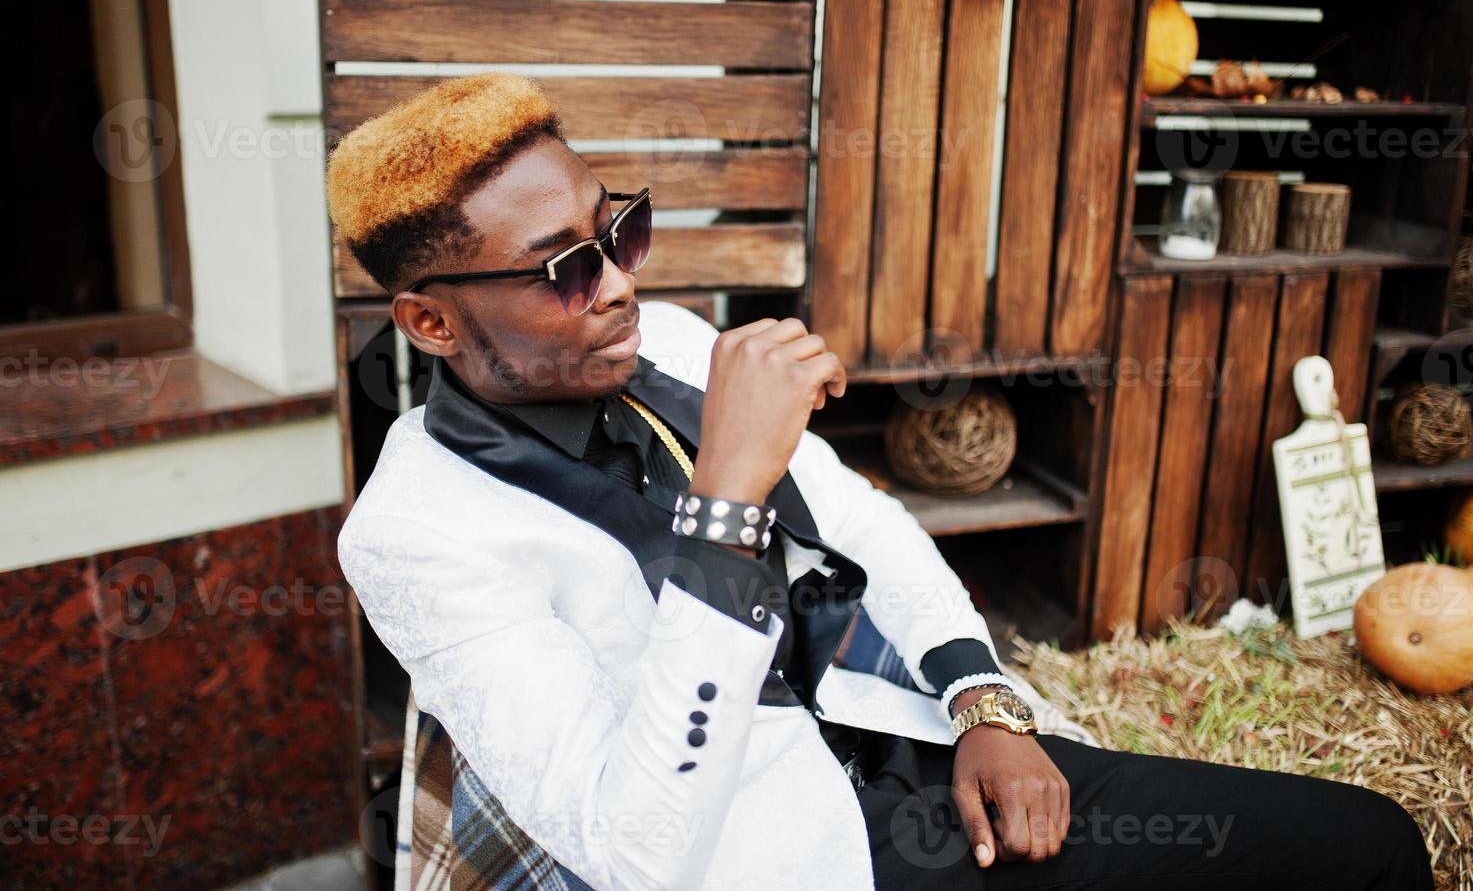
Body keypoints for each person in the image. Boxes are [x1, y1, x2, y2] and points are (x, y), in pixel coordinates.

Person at [328, 73, 1434, 890]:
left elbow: (866, 519)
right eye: (566, 268)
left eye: (620, 226)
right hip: (787, 853)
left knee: (1370, 843)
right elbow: (634, 851)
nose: (619, 283)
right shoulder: (415, 533)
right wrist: (727, 500)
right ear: (430, 321)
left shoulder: (663, 337)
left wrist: (983, 704)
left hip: (919, 741)